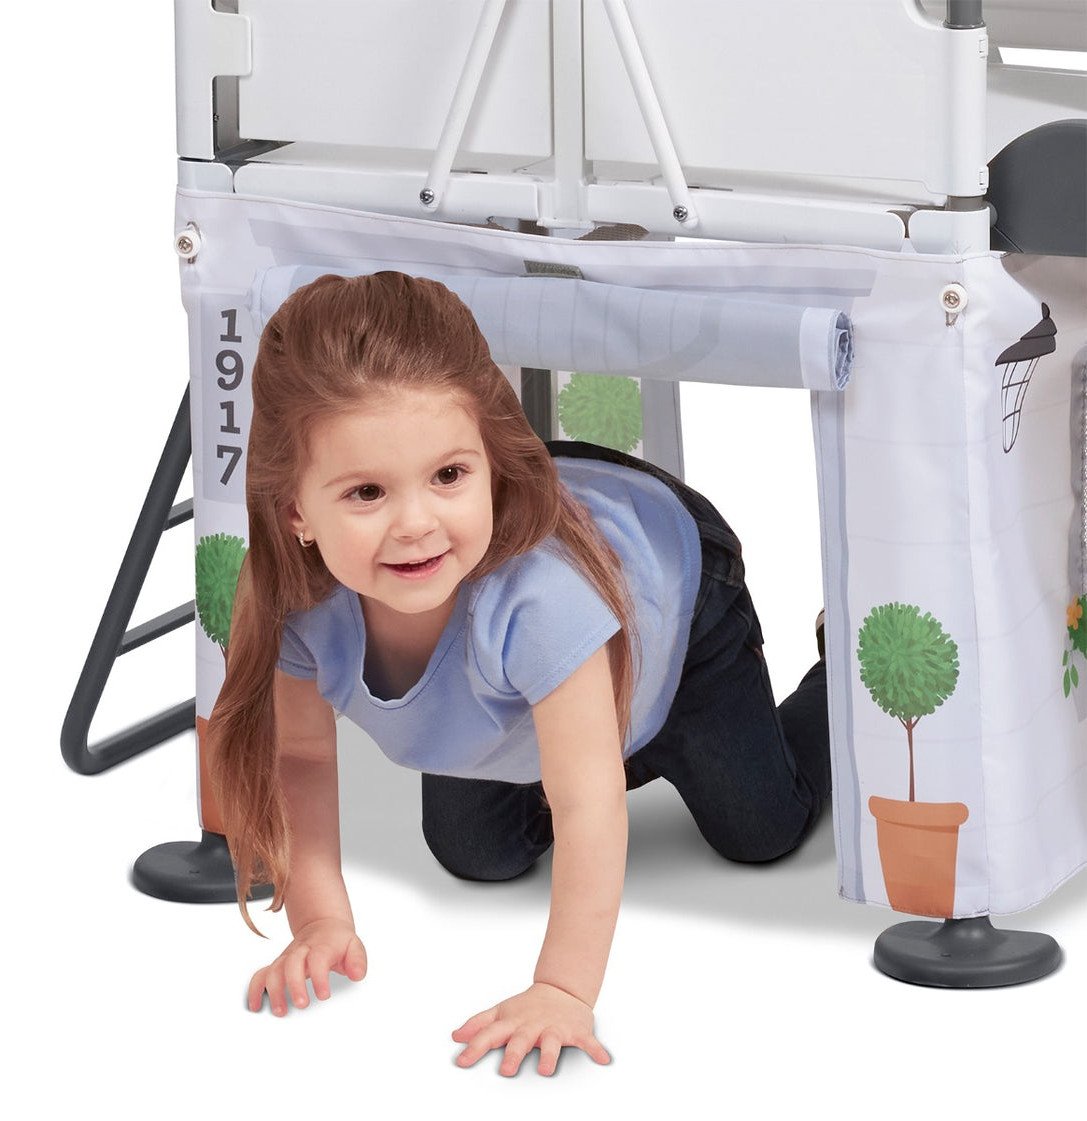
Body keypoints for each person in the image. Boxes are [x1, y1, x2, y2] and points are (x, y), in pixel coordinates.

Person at [207, 271, 830, 1077]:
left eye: (448, 475)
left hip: (674, 606)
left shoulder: (537, 600)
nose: (416, 523)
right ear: (296, 512)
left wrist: (563, 988)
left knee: (762, 829)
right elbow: (297, 759)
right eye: (366, 491)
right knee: (474, 852)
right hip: (537, 689)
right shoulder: (296, 603)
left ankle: (828, 670)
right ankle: (598, 735)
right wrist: (320, 921)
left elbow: (587, 802)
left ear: (489, 465)